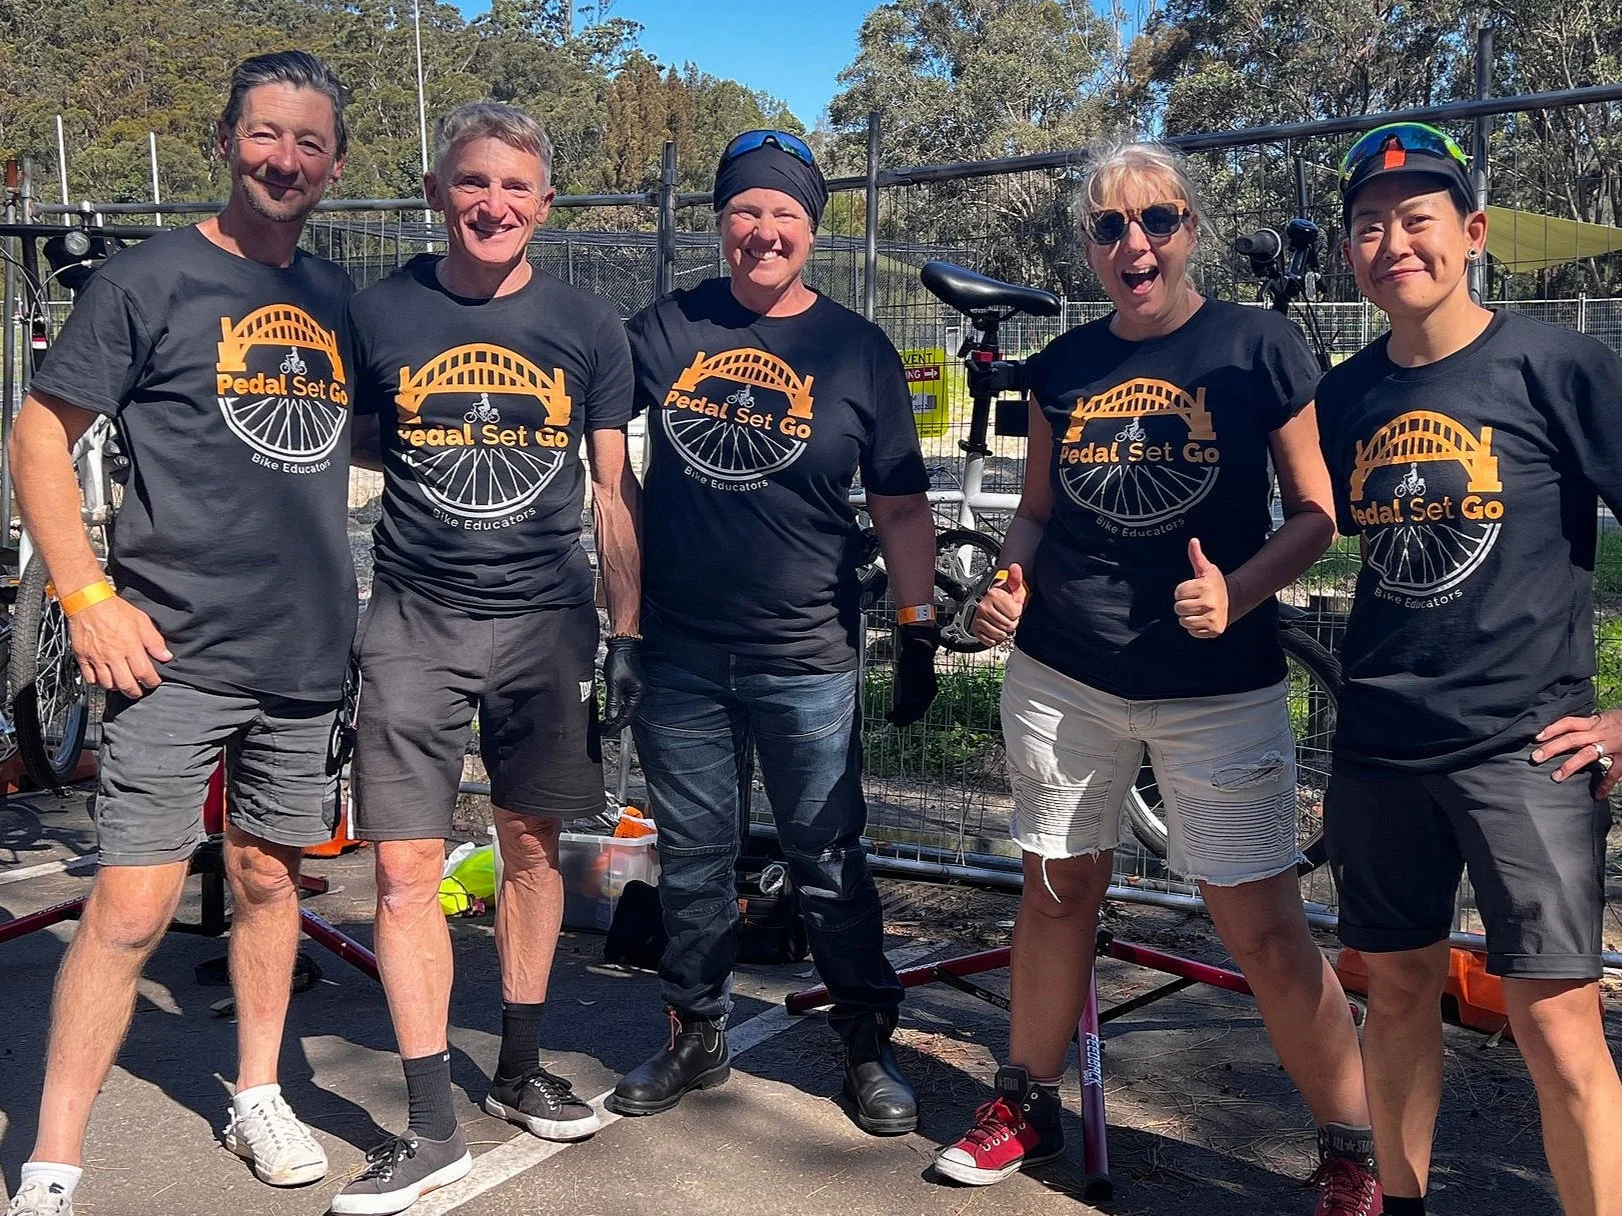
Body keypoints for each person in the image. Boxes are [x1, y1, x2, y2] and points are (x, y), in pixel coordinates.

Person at [935, 141, 1380, 1215]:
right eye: (1108, 227)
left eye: (1156, 220)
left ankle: (1353, 1151)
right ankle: (1024, 1102)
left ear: (1189, 229)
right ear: (1088, 246)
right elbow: (1036, 515)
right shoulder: (1061, 369)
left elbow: (1319, 512)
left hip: (1216, 686)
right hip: (1063, 676)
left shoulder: (1256, 344)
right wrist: (1005, 590)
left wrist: (1237, 589)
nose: (1133, 243)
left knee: (1263, 928)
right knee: (1054, 894)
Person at [4, 52, 355, 1216]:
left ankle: (259, 1089)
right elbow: (40, 435)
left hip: (303, 656)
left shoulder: (336, 297)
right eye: (265, 134)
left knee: (267, 879)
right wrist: (86, 595)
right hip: (172, 656)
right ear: (225, 139)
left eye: (308, 143)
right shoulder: (150, 281)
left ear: (334, 163)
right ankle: (53, 1156)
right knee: (131, 909)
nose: (284, 159)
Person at [329, 102, 643, 1216]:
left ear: (544, 204)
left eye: (515, 187)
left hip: (543, 622)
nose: (492, 205)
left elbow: (610, 486)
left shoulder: (588, 325)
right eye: (472, 183)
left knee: (529, 851)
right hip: (411, 619)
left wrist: (629, 631)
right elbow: (350, 441)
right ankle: (426, 1125)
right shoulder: (377, 312)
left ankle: (517, 1063)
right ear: (435, 190)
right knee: (407, 871)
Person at [1317, 122, 1622, 1216]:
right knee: (1393, 992)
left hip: (1522, 750)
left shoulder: (1560, 366)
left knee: (1553, 1022)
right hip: (1380, 746)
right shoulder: (1345, 393)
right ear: (1349, 253)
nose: (1391, 242)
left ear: (1471, 234)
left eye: (1415, 220)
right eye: (1367, 227)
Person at [607, 130, 939, 1134]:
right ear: (721, 223)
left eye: (784, 214)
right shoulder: (661, 330)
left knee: (828, 858)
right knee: (696, 858)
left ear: (810, 230)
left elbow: (899, 505)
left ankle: (863, 1042)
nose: (763, 230)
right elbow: (604, 473)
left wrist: (918, 630)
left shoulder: (856, 349)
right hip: (679, 651)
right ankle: (693, 1028)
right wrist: (618, 633)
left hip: (804, 650)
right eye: (746, 211)